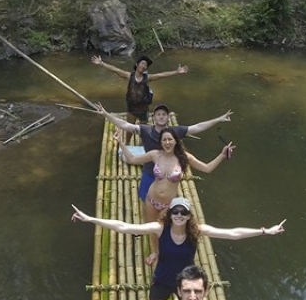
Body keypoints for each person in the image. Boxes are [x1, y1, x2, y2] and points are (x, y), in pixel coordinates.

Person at [71, 197, 284, 300]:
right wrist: (90, 219)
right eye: (175, 212)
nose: (179, 216)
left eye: (183, 213)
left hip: (186, 281)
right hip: (163, 278)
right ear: (170, 213)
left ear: (189, 215)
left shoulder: (196, 231)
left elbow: (231, 233)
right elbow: (124, 227)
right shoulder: (160, 228)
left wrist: (265, 231)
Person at [115, 128, 235, 264]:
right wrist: (120, 142)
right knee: (152, 228)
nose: (167, 142)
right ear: (160, 142)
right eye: (164, 139)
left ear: (176, 141)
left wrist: (222, 155)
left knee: (165, 229)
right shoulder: (155, 155)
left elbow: (207, 168)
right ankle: (156, 252)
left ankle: (166, 253)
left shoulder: (184, 157)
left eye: (170, 139)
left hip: (168, 204)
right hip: (151, 199)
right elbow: (132, 158)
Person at [96, 101, 232, 206]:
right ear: (153, 117)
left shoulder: (174, 132)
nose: (161, 116)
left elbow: (197, 127)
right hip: (150, 171)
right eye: (158, 114)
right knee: (145, 200)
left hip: (168, 175)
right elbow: (125, 125)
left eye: (164, 114)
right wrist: (106, 114)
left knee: (166, 203)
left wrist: (218, 119)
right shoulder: (146, 130)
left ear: (168, 117)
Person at [90, 54, 189, 123]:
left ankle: (143, 147)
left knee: (143, 130)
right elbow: (116, 70)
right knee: (129, 128)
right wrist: (102, 63)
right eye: (142, 63)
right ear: (137, 65)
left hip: (143, 108)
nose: (143, 66)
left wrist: (176, 72)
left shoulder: (148, 78)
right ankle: (128, 144)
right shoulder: (129, 76)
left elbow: (161, 75)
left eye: (145, 65)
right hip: (132, 108)